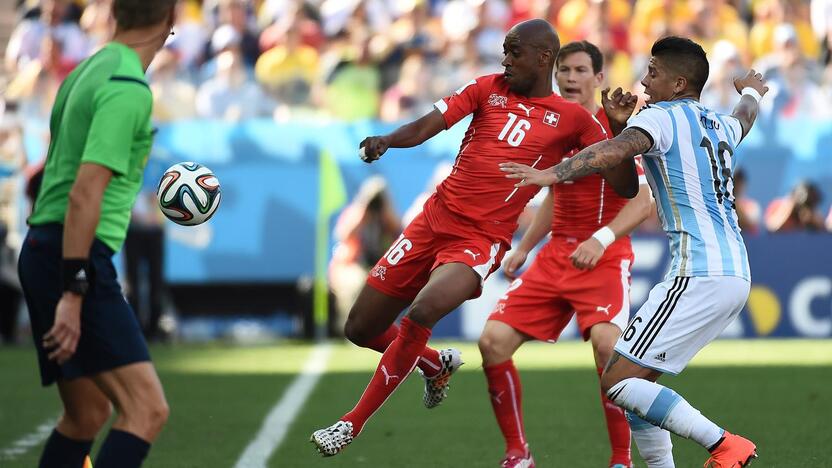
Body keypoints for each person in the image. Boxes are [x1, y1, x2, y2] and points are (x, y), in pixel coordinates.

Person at [311, 19, 637, 457]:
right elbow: (431, 123)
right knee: (359, 327)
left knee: (424, 308)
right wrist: (388, 139)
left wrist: (617, 131)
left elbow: (625, 187)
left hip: (481, 238)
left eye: (513, 51)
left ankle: (352, 423)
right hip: (432, 221)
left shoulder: (573, 119)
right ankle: (432, 364)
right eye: (504, 50)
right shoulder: (487, 87)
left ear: (543, 57)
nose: (505, 59)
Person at [500, 36, 768, 467]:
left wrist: (551, 174)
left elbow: (614, 151)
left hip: (698, 273)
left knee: (618, 382)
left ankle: (724, 446)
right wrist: (753, 88)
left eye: (654, 72)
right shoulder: (719, 124)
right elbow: (745, 115)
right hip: (733, 274)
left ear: (679, 82)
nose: (644, 81)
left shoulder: (663, 117)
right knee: (637, 388)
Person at [16, 1, 176, 467]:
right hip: (72, 256)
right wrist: (74, 289)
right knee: (147, 410)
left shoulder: (86, 70)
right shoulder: (127, 86)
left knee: (86, 414)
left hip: (45, 249)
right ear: (171, 22)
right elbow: (85, 193)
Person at [479, 40, 652, 468]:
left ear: (598, 78)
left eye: (579, 70)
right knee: (492, 341)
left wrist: (603, 239)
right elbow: (557, 193)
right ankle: (518, 454)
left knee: (607, 345)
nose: (570, 78)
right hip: (557, 253)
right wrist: (523, 247)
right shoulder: (554, 123)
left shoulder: (620, 127)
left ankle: (620, 460)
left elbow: (644, 199)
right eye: (563, 70)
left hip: (605, 254)